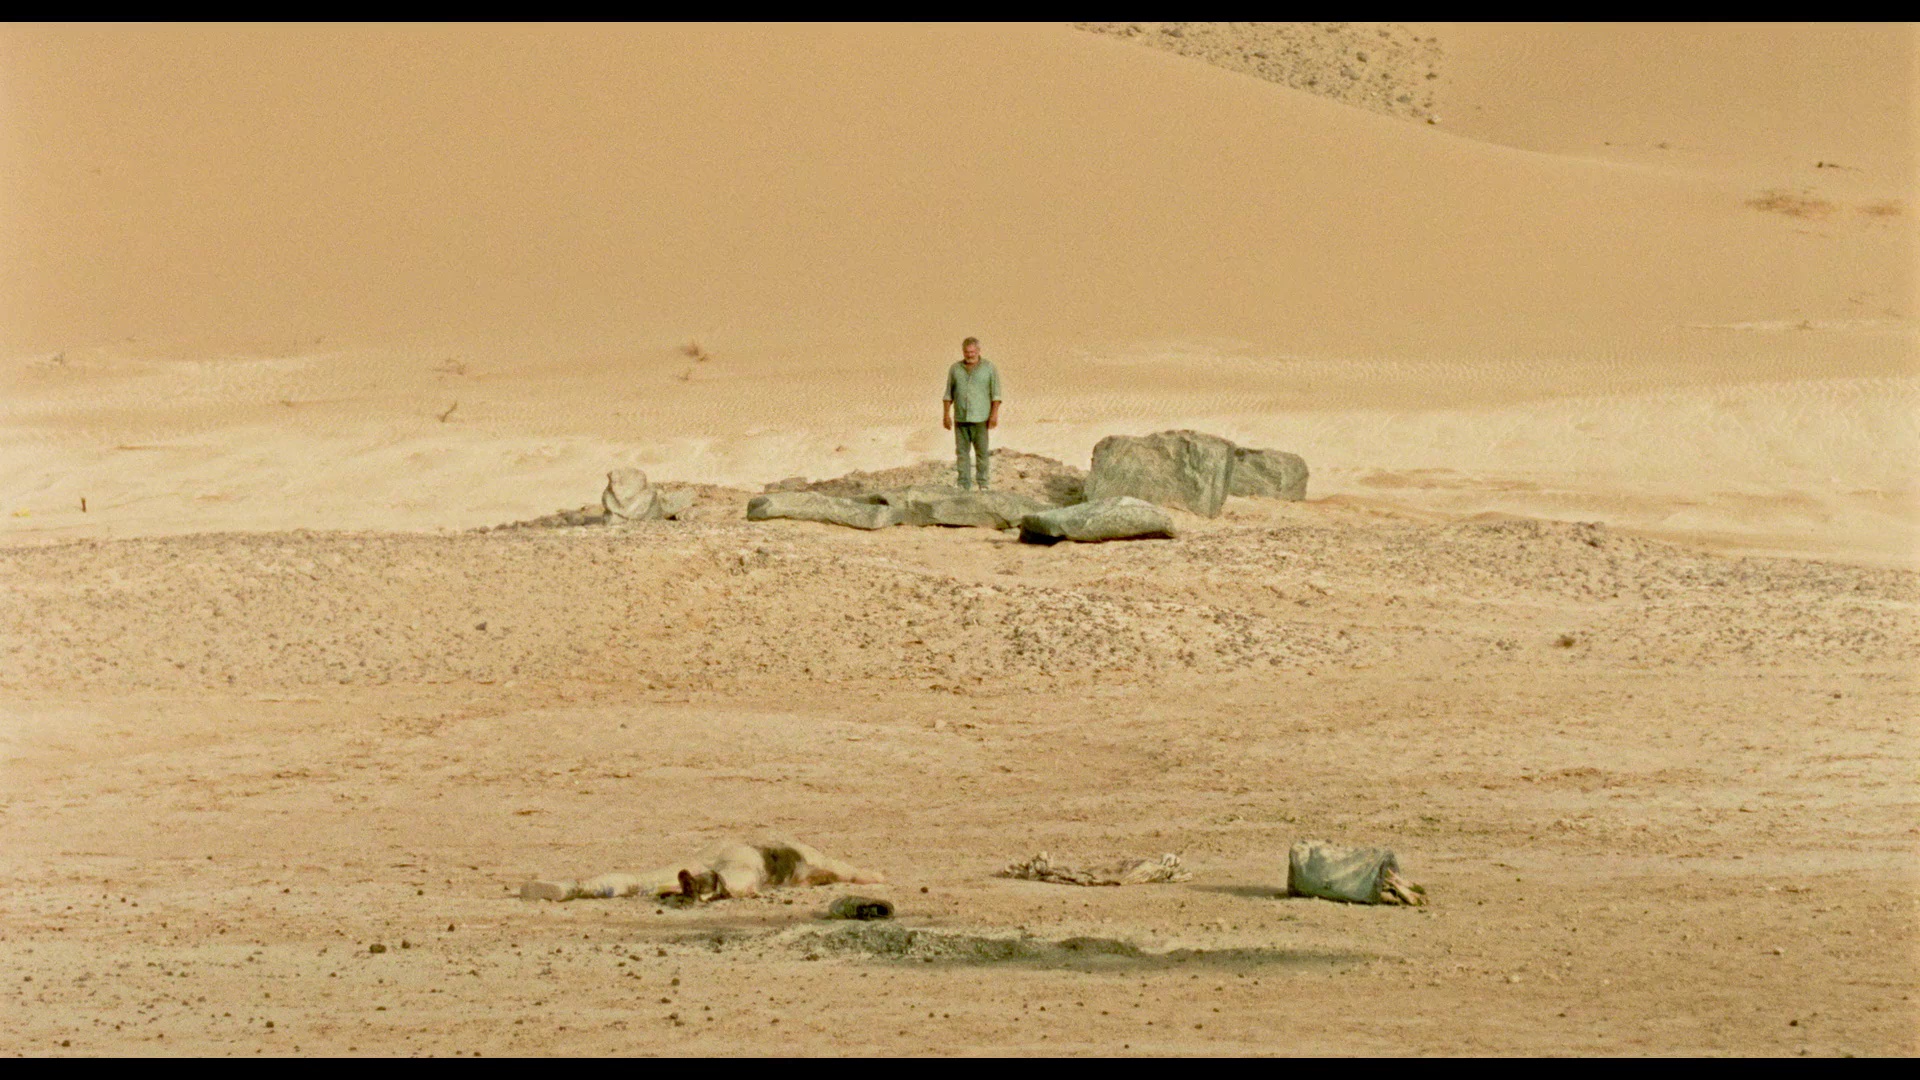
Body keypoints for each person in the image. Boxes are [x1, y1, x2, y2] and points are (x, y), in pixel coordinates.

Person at [941, 336, 1002, 491]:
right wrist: (946, 415)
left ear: (979, 351)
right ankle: (963, 484)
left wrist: (994, 415)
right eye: (967, 352)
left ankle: (983, 483)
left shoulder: (989, 368)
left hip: (981, 418)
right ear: (963, 352)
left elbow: (996, 394)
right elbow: (948, 394)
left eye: (972, 352)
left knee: (982, 453)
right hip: (961, 418)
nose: (969, 355)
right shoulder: (955, 369)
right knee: (962, 453)